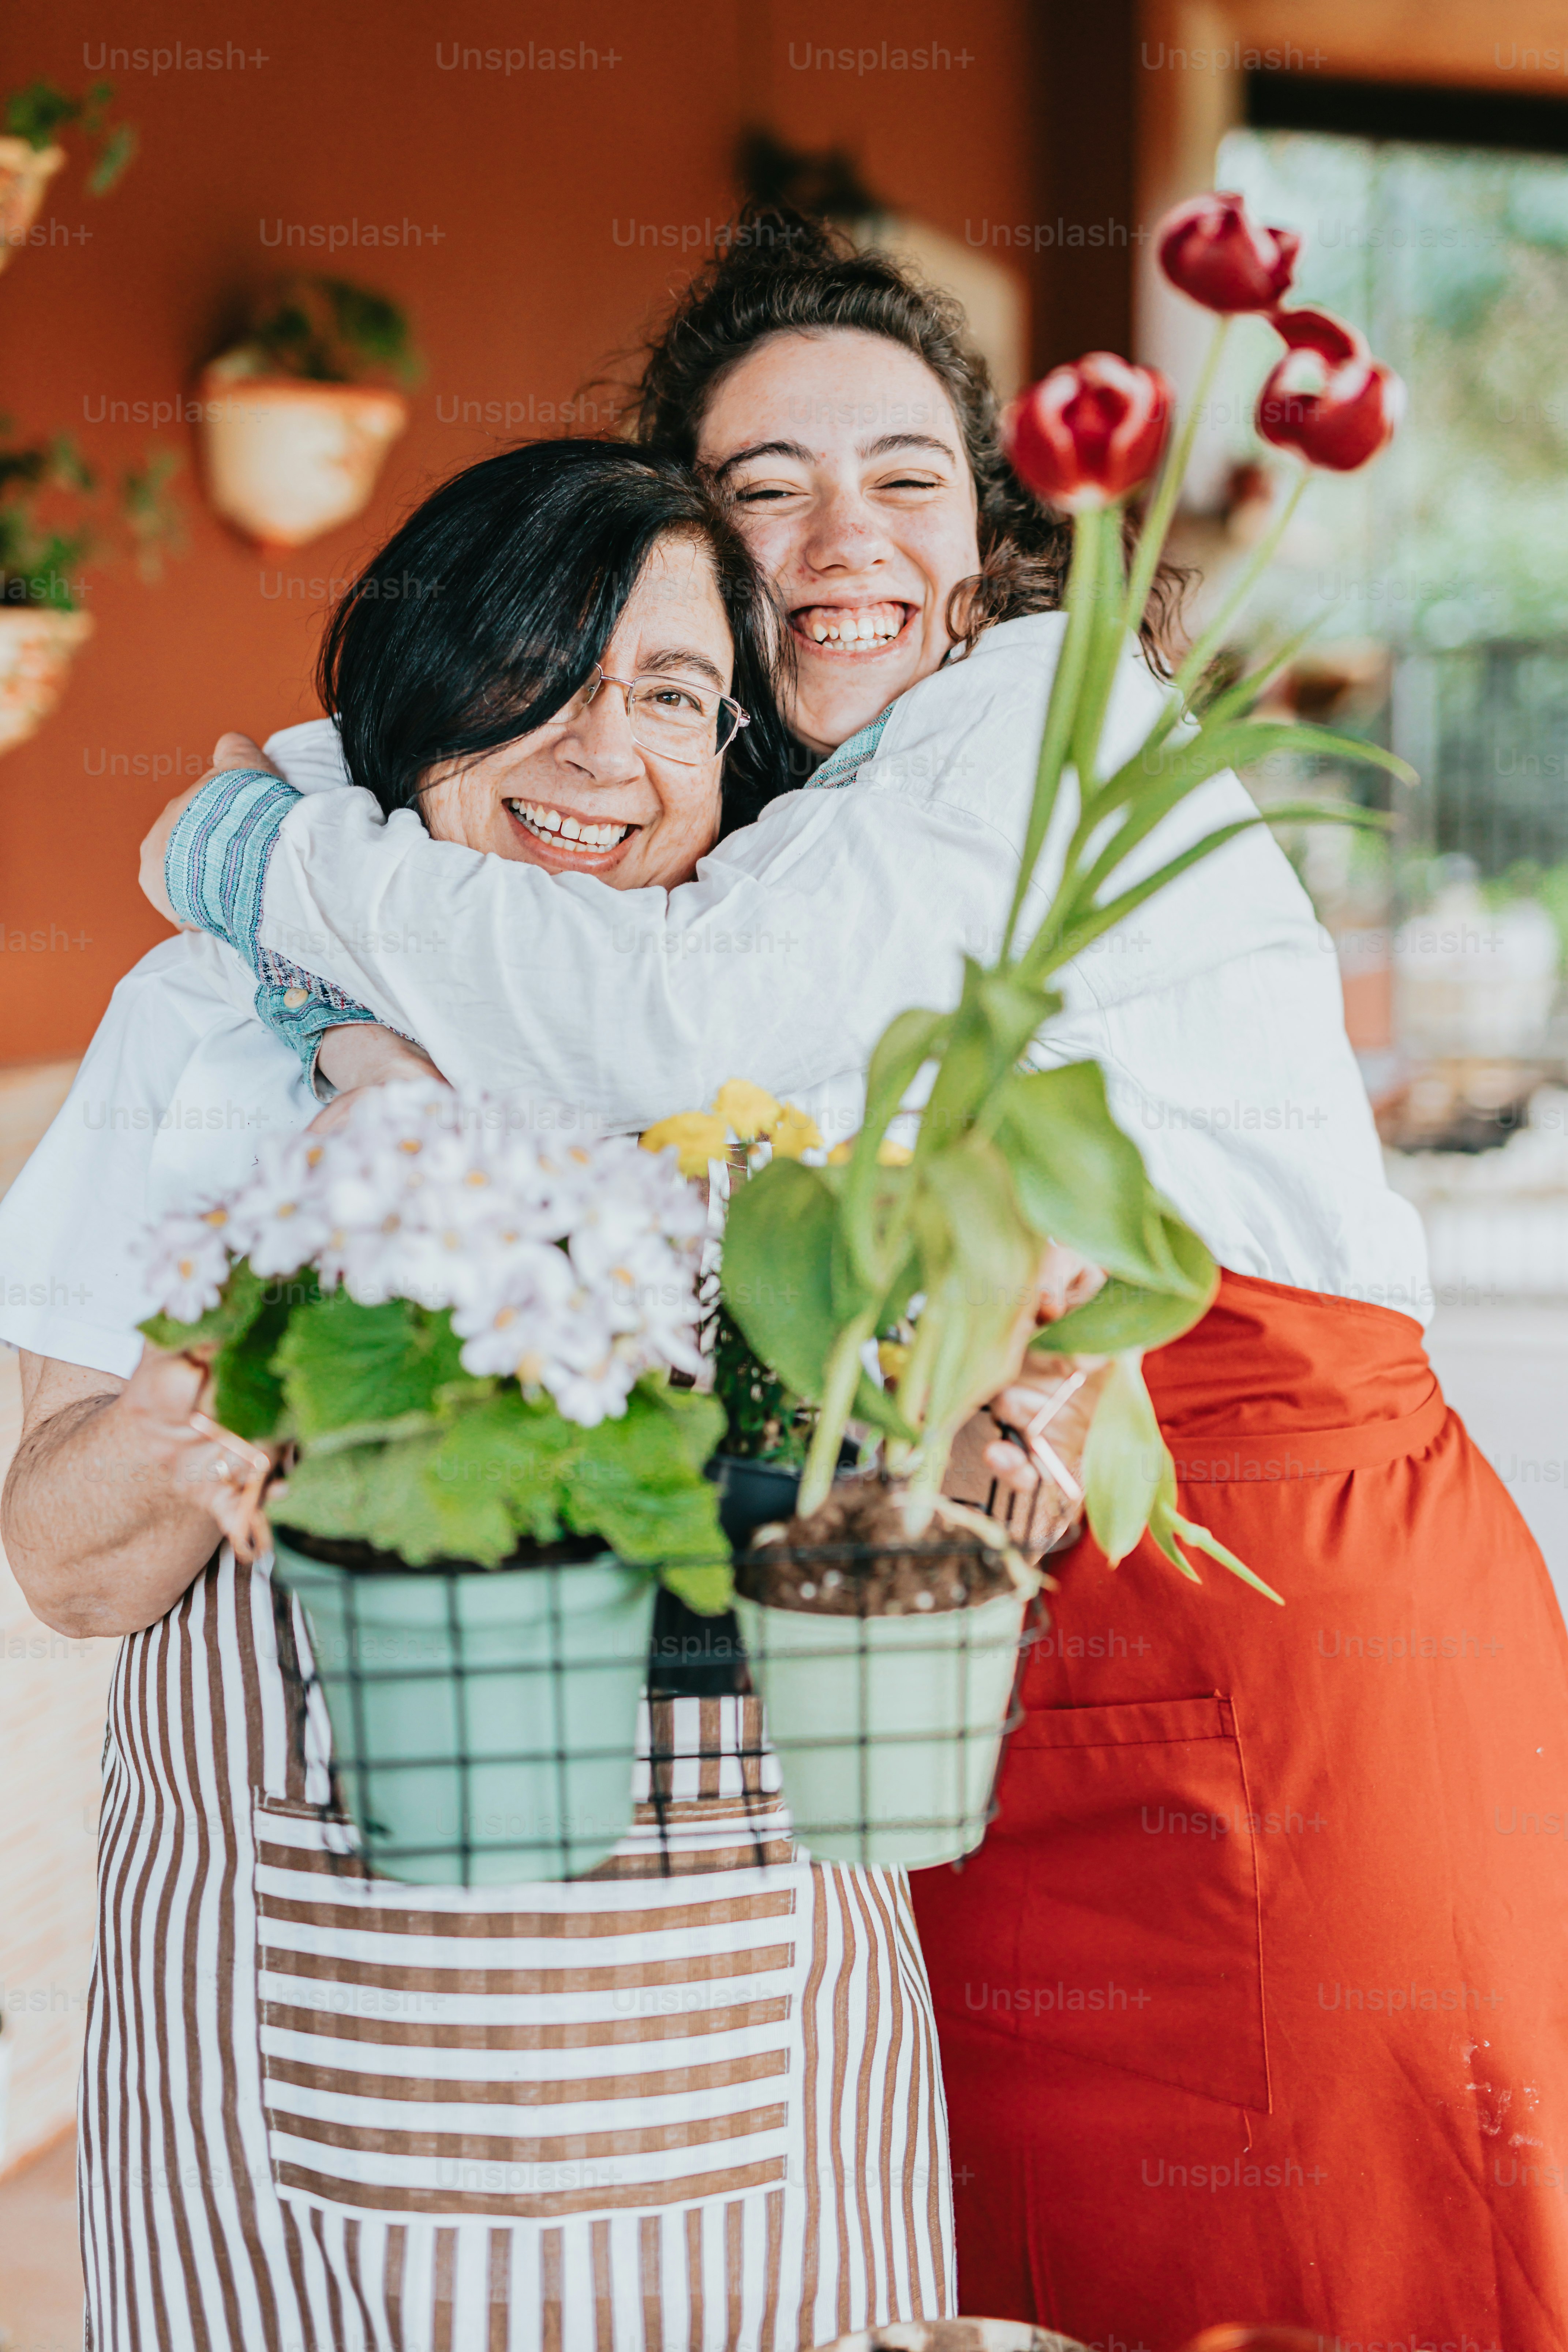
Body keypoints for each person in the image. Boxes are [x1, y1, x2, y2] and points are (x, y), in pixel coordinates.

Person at [130, 214, 1568, 2351]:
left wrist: (252, 855)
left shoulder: (1027, 715)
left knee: (1321, 2253)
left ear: (988, 525)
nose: (839, 539)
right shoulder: (804, 805)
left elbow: (662, 1025)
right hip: (994, 1655)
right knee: (1021, 2273)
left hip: (1265, 1612)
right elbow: (522, 870)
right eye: (757, 491)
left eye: (901, 474)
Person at [0, 443, 955, 2352]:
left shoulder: (810, 1038)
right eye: (550, 669)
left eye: (677, 695)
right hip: (286, 2078)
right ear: (428, 696)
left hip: (737, 2073)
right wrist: (265, 1342)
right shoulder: (209, 1021)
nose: (610, 751)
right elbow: (66, 1567)